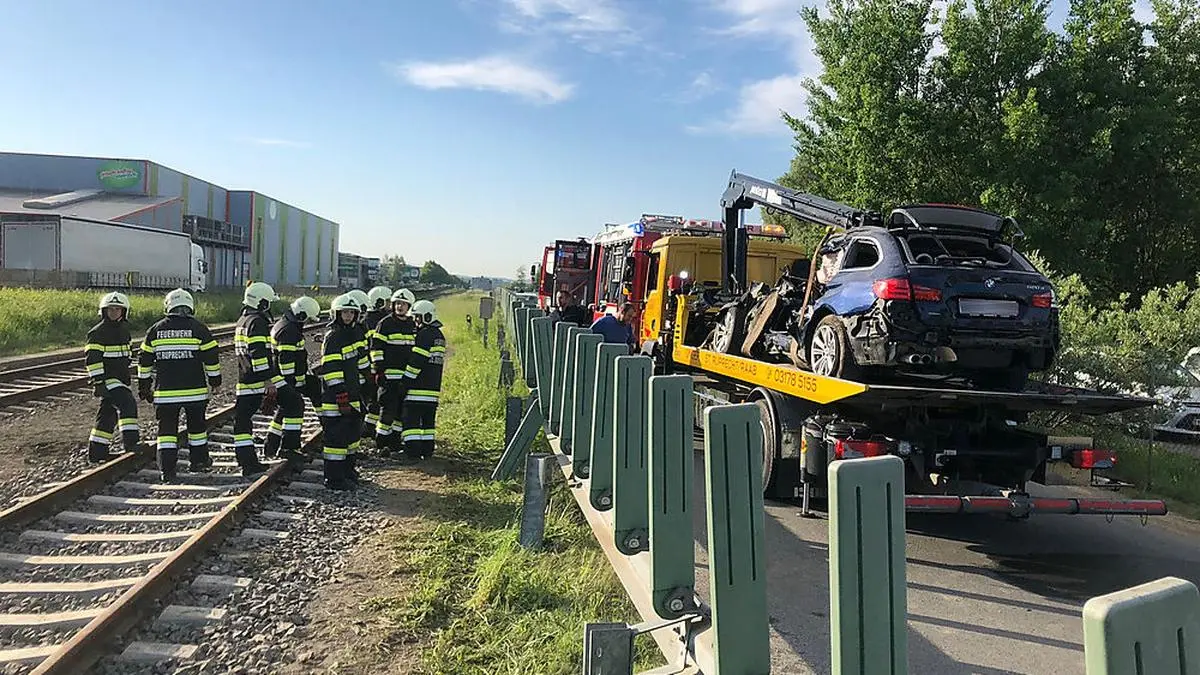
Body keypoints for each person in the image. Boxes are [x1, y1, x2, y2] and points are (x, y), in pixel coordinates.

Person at [138, 288, 221, 482]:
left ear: (168, 306)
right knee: (197, 429)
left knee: (166, 433)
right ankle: (199, 462)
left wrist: (144, 386)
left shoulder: (155, 330)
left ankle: (167, 471)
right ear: (190, 306)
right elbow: (211, 358)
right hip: (195, 393)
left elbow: (144, 361)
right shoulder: (199, 329)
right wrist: (215, 381)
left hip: (166, 394)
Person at [232, 281, 298, 477]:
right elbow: (258, 353)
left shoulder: (243, 320)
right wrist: (268, 381)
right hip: (261, 379)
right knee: (294, 402)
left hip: (246, 378)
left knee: (242, 421)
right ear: (261, 303)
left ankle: (247, 461)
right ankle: (287, 447)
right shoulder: (257, 322)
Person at [85, 291, 143, 462]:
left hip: (121, 379)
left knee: (107, 414)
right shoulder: (97, 333)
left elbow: (127, 355)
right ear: (104, 311)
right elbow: (92, 360)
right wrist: (99, 383)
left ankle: (97, 452)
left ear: (124, 311)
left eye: (118, 309)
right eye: (110, 309)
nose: (114, 312)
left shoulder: (124, 331)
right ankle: (131, 443)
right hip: (108, 379)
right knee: (128, 404)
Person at [267, 295, 321, 465]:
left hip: (286, 378)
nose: (307, 323)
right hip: (285, 379)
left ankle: (271, 444)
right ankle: (289, 447)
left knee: (287, 408)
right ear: (301, 315)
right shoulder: (289, 331)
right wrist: (291, 384)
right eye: (307, 319)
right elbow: (286, 359)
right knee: (295, 405)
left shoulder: (286, 325)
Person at [319, 293, 365, 489]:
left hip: (352, 394)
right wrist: (341, 394)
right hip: (335, 398)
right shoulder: (334, 337)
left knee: (352, 437)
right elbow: (331, 369)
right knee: (336, 439)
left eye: (351, 313)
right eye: (344, 312)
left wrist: (367, 383)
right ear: (336, 314)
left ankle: (348, 471)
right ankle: (334, 479)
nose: (348, 316)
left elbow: (360, 363)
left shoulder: (353, 334)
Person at [370, 288, 416, 454]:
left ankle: (395, 442)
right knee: (388, 411)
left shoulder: (412, 325)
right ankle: (381, 442)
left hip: (405, 378)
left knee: (400, 412)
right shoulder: (385, 324)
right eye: (397, 303)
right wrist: (379, 371)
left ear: (409, 306)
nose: (399, 307)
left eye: (403, 304)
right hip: (388, 378)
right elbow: (376, 349)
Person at [399, 299, 445, 461]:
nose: (416, 321)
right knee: (428, 424)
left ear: (427, 316)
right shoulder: (439, 335)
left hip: (417, 389)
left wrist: (405, 381)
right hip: (432, 390)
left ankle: (412, 452)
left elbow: (417, 361)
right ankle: (427, 450)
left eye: (418, 317)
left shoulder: (424, 335)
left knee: (411, 421)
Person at [361, 286, 392, 438]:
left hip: (373, 367)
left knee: (374, 399)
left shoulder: (369, 320)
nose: (390, 305)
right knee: (375, 398)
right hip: (373, 368)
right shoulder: (377, 322)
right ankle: (369, 428)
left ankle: (369, 427)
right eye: (387, 302)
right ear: (379, 302)